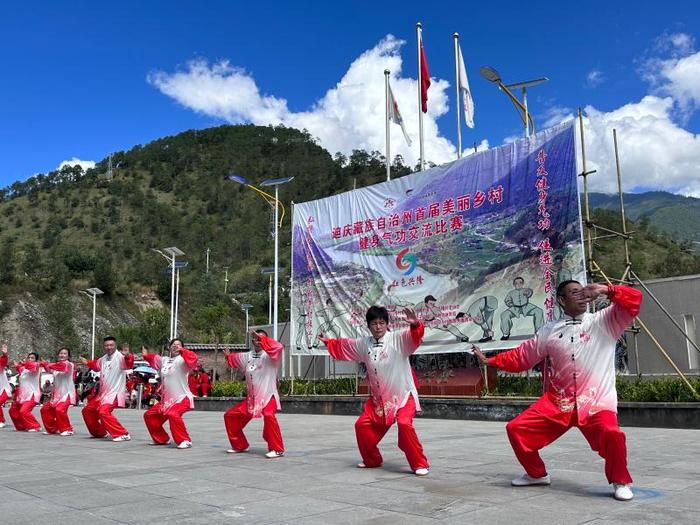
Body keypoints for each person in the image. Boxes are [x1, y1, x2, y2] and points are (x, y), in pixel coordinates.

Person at [473, 281, 642, 501]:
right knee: (516, 429)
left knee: (613, 434)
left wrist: (604, 289)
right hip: (557, 403)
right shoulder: (549, 331)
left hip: (596, 402)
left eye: (583, 291)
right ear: (562, 300)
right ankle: (536, 474)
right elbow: (522, 356)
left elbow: (635, 299)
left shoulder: (605, 321)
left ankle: (621, 481)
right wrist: (491, 360)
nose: (581, 295)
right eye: (574, 293)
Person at [318, 306, 430, 476]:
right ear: (368, 326)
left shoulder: (397, 339)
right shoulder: (364, 344)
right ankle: (372, 460)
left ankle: (419, 463)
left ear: (387, 324)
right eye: (374, 323)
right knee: (361, 426)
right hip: (380, 402)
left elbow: (414, 337)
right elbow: (345, 346)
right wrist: (328, 342)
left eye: (382, 323)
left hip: (403, 395)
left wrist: (415, 325)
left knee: (404, 424)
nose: (378, 327)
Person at [223, 330, 285, 458]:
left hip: (269, 396)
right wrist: (228, 356)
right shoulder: (247, 356)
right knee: (230, 416)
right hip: (252, 400)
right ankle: (240, 445)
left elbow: (279, 346)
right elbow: (233, 360)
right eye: (255, 339)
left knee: (268, 415)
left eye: (261, 338)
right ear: (252, 341)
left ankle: (277, 449)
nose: (257, 341)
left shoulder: (271, 356)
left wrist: (262, 339)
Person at [142, 339, 199, 449]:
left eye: (178, 345)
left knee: (173, 414)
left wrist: (183, 351)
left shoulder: (183, 360)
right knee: (149, 416)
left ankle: (185, 440)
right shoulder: (164, 360)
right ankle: (161, 439)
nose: (175, 346)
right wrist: (145, 356)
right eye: (173, 345)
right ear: (169, 347)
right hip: (167, 401)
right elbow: (154, 358)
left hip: (182, 398)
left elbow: (193, 358)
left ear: (182, 347)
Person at [81, 336, 134, 442]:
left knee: (103, 412)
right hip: (102, 395)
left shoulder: (120, 357)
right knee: (87, 411)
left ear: (115, 345)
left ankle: (123, 434)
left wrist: (128, 355)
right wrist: (87, 363)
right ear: (103, 346)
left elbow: (129, 364)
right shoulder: (103, 358)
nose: (109, 347)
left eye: (111, 345)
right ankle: (99, 432)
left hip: (114, 393)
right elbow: (95, 365)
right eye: (106, 345)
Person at [40, 347, 77, 436]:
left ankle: (68, 429)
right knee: (45, 410)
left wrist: (47, 364)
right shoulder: (56, 366)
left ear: (68, 356)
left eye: (65, 354)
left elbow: (61, 367)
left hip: (67, 394)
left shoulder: (69, 364)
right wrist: (44, 365)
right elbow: (49, 370)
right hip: (56, 395)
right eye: (61, 353)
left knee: (60, 410)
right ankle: (52, 429)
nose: (62, 355)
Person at [9, 350, 43, 432]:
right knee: (12, 410)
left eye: (32, 358)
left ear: (36, 360)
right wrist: (16, 364)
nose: (30, 359)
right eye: (29, 357)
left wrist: (23, 363)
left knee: (24, 411)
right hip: (22, 395)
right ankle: (22, 426)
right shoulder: (23, 369)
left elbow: (31, 366)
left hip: (32, 395)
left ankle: (35, 426)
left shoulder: (36, 367)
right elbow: (18, 367)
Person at [0, 344, 13, 428]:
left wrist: (5, 354)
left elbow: (3, 361)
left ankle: (1, 421)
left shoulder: (0, 366)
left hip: (4, 390)